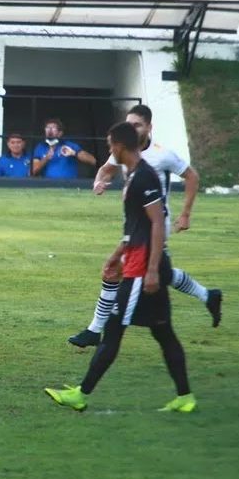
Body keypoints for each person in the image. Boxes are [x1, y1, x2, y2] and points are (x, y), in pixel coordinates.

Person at [45, 122, 195, 413]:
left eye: (110, 143)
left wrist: (151, 269)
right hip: (139, 261)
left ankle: (81, 394)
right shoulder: (134, 174)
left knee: (113, 330)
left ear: (120, 146)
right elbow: (136, 227)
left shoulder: (144, 178)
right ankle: (185, 397)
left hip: (141, 269)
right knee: (164, 333)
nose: (109, 148)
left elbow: (156, 224)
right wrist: (116, 255)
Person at [68, 104, 222, 347]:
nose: (133, 128)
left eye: (138, 124)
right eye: (130, 124)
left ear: (149, 127)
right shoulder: (123, 149)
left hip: (154, 226)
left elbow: (191, 176)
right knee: (164, 273)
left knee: (114, 272)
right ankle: (208, 296)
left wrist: (186, 214)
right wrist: (99, 182)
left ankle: (96, 330)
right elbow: (106, 170)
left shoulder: (163, 154)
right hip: (136, 226)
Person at [31, 118, 96, 178]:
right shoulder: (40, 147)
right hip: (48, 186)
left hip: (69, 185)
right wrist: (46, 158)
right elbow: (33, 171)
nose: (50, 130)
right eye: (47, 127)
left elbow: (93, 161)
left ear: (60, 133)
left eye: (53, 128)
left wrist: (74, 153)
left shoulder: (69, 145)